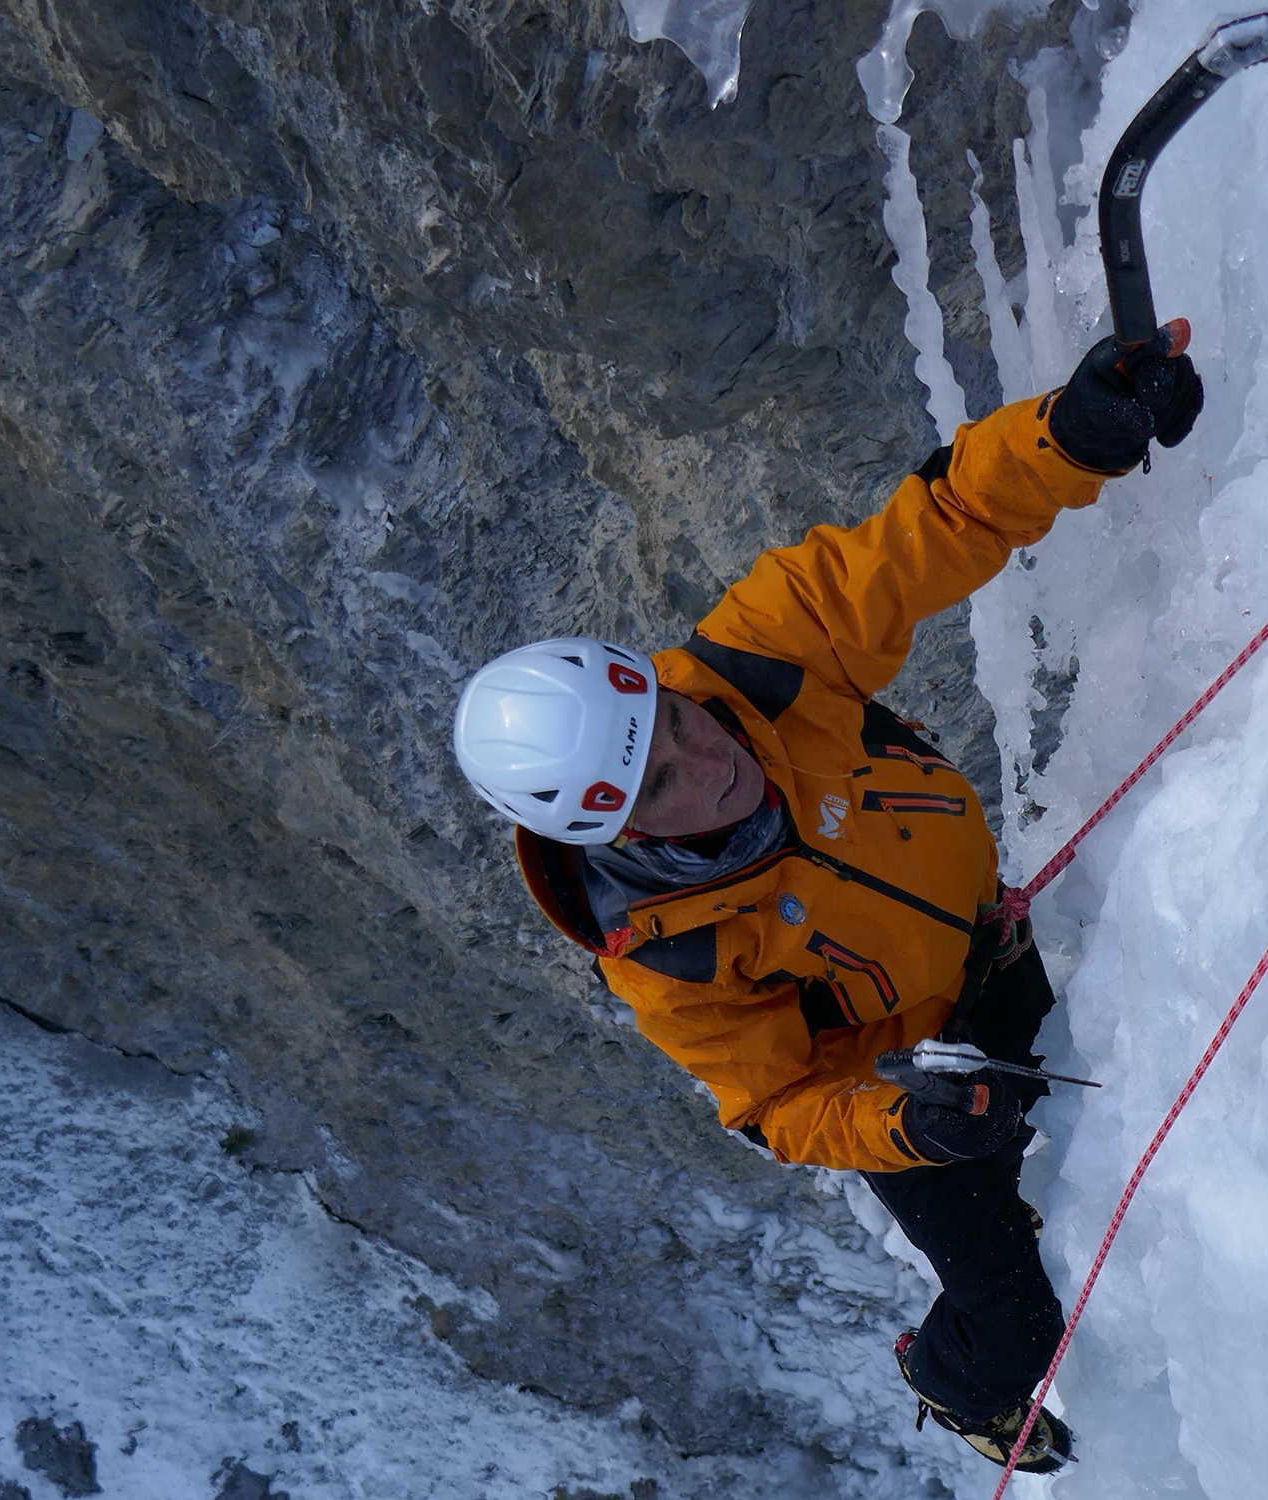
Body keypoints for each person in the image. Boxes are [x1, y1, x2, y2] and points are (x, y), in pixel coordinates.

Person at [451, 331, 1202, 1471]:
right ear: (612, 832)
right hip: (906, 1078)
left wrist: (1068, 435)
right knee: (1016, 1321)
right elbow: (776, 1105)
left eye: (677, 721)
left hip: (984, 951)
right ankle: (952, 1381)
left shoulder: (757, 658)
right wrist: (904, 1125)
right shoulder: (668, 959)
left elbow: (933, 528)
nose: (710, 761)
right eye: (660, 783)